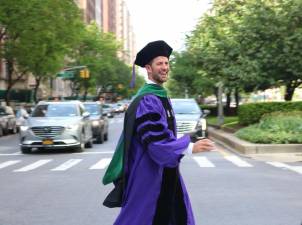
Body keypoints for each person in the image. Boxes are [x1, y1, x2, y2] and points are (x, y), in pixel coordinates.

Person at [103, 40, 215, 225]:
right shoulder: (148, 100)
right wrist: (189, 146)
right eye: (159, 63)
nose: (165, 67)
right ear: (148, 68)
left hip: (164, 171)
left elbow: (163, 136)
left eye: (166, 63)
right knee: (143, 218)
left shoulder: (159, 96)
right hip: (149, 175)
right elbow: (156, 144)